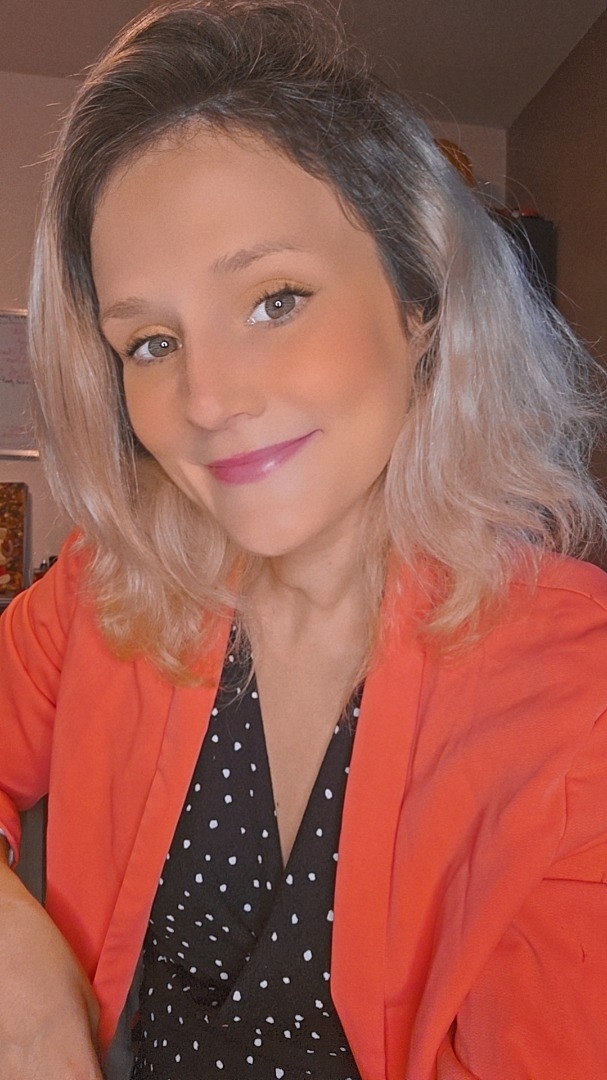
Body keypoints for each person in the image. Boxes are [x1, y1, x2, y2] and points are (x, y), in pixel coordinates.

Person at [1, 1, 607, 1077]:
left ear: (419, 303)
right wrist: (32, 1000)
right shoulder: (106, 587)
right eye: (151, 342)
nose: (207, 399)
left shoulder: (577, 685)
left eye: (275, 300)